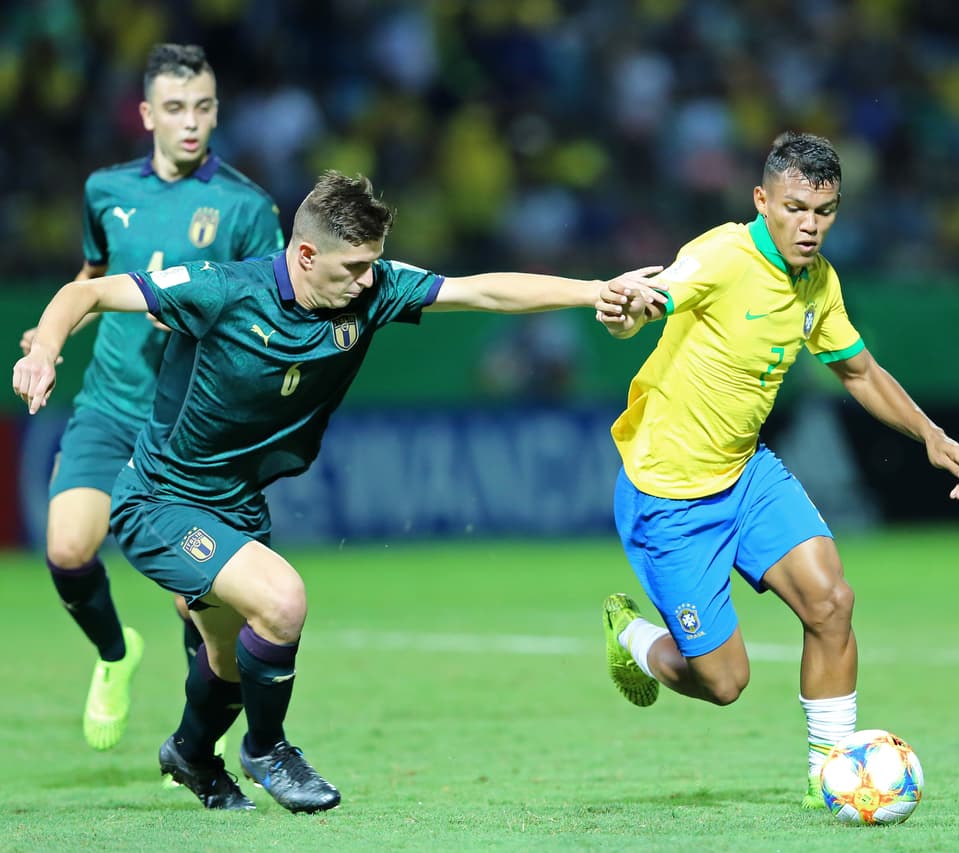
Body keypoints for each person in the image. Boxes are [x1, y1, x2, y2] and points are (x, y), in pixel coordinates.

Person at [14, 170, 660, 812]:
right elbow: (87, 293)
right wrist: (43, 349)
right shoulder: (223, 289)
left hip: (237, 504)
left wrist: (596, 290)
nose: (368, 280)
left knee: (227, 658)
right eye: (353, 267)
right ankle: (267, 749)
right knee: (282, 601)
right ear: (304, 255)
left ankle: (191, 754)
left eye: (373, 264)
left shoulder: (372, 291)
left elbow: (483, 291)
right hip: (161, 498)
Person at [594, 132, 959, 809]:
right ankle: (633, 636)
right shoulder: (721, 255)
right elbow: (653, 300)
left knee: (832, 602)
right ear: (761, 201)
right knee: (724, 682)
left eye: (824, 212)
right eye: (795, 208)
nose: (809, 226)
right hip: (669, 496)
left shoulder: (819, 281)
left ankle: (831, 775)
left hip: (746, 475)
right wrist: (627, 311)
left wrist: (929, 432)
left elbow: (858, 370)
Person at [18, 43, 282, 752]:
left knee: (195, 599)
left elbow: (268, 310)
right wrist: (54, 333)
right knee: (66, 549)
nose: (190, 121)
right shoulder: (106, 191)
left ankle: (201, 741)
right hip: (110, 403)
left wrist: (202, 318)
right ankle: (115, 655)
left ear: (217, 112)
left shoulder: (247, 207)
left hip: (187, 425)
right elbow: (93, 274)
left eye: (203, 107)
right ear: (146, 114)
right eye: (175, 108)